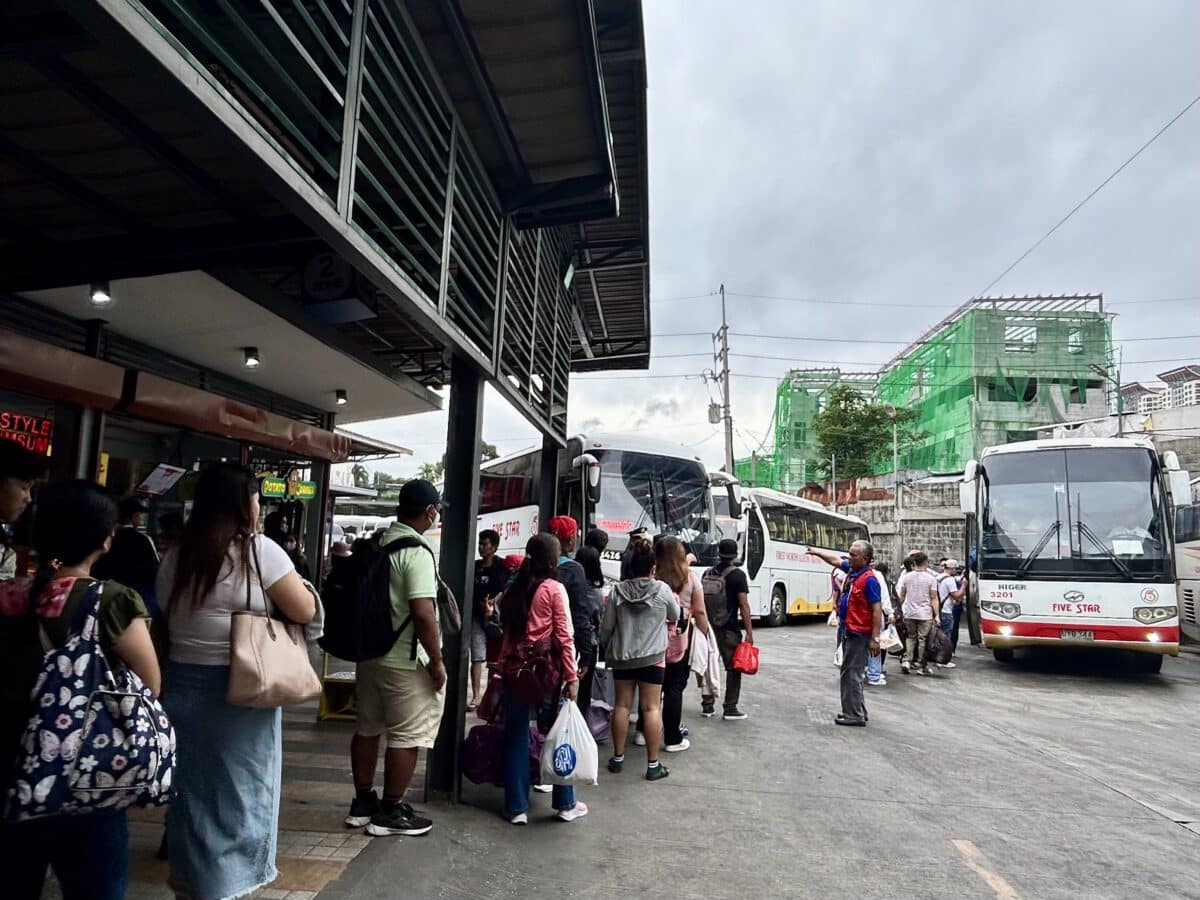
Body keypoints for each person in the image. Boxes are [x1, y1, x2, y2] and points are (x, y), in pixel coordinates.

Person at [157, 464, 315, 898]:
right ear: (243, 502)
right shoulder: (260, 551)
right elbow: (303, 610)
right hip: (241, 687)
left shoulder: (177, 554)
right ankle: (224, 887)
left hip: (181, 684)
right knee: (241, 796)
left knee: (192, 794)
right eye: (256, 498)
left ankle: (191, 883)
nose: (259, 507)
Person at [1, 479, 160, 900]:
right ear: (106, 541)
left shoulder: (8, 595)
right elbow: (149, 684)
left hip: (10, 768)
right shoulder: (110, 600)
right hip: (86, 775)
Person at [345, 479, 446, 837]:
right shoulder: (415, 551)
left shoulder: (379, 542)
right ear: (430, 511)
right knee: (405, 735)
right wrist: (436, 660)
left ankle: (362, 801)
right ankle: (390, 810)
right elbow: (423, 612)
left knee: (367, 728)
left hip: (369, 656)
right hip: (403, 660)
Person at [499, 533, 583, 824]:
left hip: (516, 673)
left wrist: (501, 668)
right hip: (547, 674)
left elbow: (507, 636)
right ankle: (565, 803)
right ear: (552, 558)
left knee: (516, 736)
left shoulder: (512, 589)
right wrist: (572, 677)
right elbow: (565, 636)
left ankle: (517, 807)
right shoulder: (554, 589)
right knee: (558, 734)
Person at [601, 538, 678, 780]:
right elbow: (675, 614)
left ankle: (617, 757)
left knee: (622, 706)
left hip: (623, 657)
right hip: (653, 658)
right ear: (653, 568)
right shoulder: (662, 590)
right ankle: (653, 765)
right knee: (652, 708)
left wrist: (604, 647)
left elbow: (606, 628)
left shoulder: (617, 592)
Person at [808, 540, 883, 727]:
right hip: (849, 629)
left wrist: (875, 638)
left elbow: (876, 610)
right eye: (849, 554)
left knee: (852, 674)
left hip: (860, 633)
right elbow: (834, 560)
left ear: (865, 558)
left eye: (853, 555)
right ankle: (857, 711)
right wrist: (817, 552)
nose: (849, 557)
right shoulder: (853, 571)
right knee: (849, 672)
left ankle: (854, 714)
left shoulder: (869, 580)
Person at [655, 535, 707, 752]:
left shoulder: (654, 576)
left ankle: (642, 730)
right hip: (680, 638)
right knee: (675, 688)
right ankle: (672, 738)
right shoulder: (691, 578)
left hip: (653, 637)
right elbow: (701, 611)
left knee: (652, 687)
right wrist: (705, 634)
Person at [547, 516, 599, 713]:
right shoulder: (573, 570)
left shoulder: (531, 565)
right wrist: (585, 654)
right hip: (560, 649)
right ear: (570, 541)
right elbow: (580, 615)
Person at [701, 539, 754, 721]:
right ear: (736, 554)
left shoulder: (707, 573)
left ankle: (707, 705)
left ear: (719, 553)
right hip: (729, 628)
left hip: (708, 627)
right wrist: (749, 632)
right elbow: (744, 605)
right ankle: (730, 707)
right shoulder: (738, 575)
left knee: (708, 665)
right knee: (733, 668)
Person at [94, 496, 161, 613]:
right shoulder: (144, 539)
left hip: (106, 594)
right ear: (133, 517)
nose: (140, 518)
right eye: (139, 515)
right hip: (139, 596)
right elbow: (155, 569)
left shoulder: (107, 538)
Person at [470, 529, 506, 710]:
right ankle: (476, 696)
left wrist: (492, 603)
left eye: (485, 544)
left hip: (495, 618)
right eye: (480, 544)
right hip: (476, 616)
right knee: (477, 657)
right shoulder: (473, 566)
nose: (481, 548)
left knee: (494, 659)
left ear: (494, 547)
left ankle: (492, 697)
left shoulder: (502, 567)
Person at [898, 550, 938, 675]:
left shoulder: (906, 577)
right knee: (923, 639)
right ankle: (921, 664)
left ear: (914, 563)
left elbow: (902, 595)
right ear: (926, 563)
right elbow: (933, 598)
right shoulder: (931, 579)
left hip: (910, 612)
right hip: (925, 613)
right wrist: (937, 615)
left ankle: (907, 660)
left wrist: (898, 610)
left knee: (910, 637)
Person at [867, 561, 894, 686]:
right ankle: (873, 675)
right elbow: (883, 596)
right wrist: (890, 612)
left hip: (858, 617)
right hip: (875, 615)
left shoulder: (854, 573)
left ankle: (864, 670)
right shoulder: (876, 575)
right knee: (876, 643)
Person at [936, 558, 966, 668]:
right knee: (946, 637)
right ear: (952, 569)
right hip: (946, 611)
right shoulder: (949, 580)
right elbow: (956, 595)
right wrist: (963, 586)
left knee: (937, 636)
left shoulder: (938, 577)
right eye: (955, 569)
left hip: (937, 610)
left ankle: (936, 656)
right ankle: (943, 660)